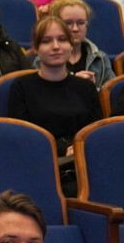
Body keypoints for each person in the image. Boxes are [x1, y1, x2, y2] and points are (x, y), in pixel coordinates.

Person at [8, 15, 101, 159]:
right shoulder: (21, 87)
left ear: (71, 45)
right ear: (36, 48)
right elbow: (21, 137)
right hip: (40, 161)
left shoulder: (86, 87)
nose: (56, 46)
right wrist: (62, 150)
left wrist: (78, 149)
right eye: (46, 41)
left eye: (62, 39)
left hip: (82, 160)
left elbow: (96, 133)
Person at [37, 0, 114, 90]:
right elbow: (39, 95)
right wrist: (73, 84)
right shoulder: (43, 59)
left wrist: (93, 89)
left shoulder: (100, 58)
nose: (75, 29)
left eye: (81, 23)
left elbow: (111, 94)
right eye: (68, 23)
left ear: (86, 25)